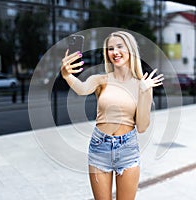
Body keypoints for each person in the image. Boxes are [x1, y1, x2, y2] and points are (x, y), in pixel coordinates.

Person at [61, 31, 164, 200]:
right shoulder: (101, 80)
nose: (115, 52)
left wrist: (144, 91)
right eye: (110, 48)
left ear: (130, 49)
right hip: (100, 146)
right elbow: (81, 89)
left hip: (128, 149)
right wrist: (66, 74)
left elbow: (142, 127)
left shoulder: (143, 84)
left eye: (119, 46)